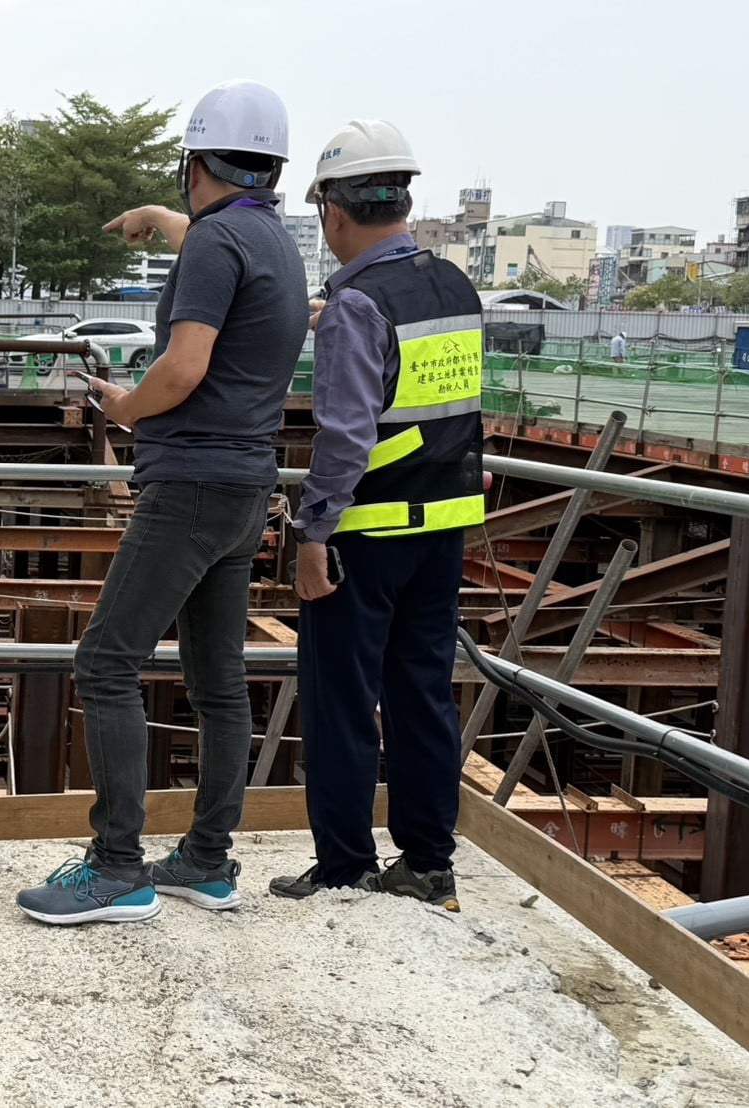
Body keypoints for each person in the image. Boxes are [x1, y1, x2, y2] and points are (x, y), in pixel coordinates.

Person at [17, 80, 308, 925]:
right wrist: (164, 217)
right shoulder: (274, 243)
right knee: (218, 681)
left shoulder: (215, 246)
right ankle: (206, 861)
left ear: (194, 164)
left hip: (186, 485)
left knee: (105, 662)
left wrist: (122, 405)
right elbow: (218, 239)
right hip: (245, 487)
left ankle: (117, 868)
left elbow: (180, 370)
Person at [269, 120, 484, 912]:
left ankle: (342, 867)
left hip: (365, 534)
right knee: (422, 693)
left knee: (338, 699)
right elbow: (425, 395)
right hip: (442, 528)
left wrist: (311, 533)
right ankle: (429, 866)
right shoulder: (454, 286)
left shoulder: (357, 303)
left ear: (332, 211)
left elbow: (347, 435)